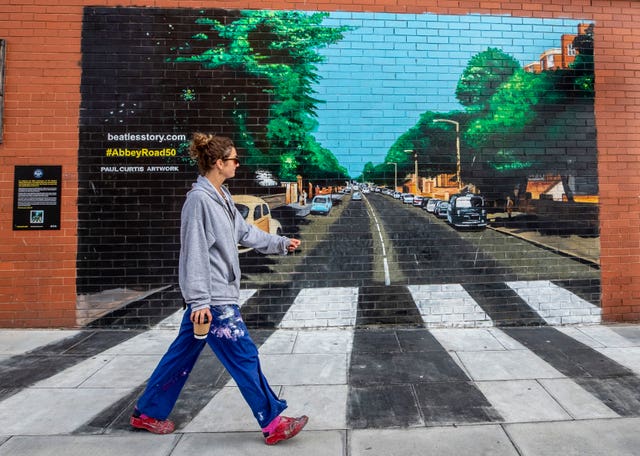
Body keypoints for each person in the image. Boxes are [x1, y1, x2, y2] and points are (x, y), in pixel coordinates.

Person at [130, 133, 308, 445]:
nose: (238, 164)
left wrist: (281, 243)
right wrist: (199, 302)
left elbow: (246, 233)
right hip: (212, 300)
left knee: (181, 356)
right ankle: (273, 423)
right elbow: (194, 253)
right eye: (234, 159)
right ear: (218, 163)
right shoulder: (199, 201)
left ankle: (146, 413)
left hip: (212, 298)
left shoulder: (222, 196)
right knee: (244, 355)